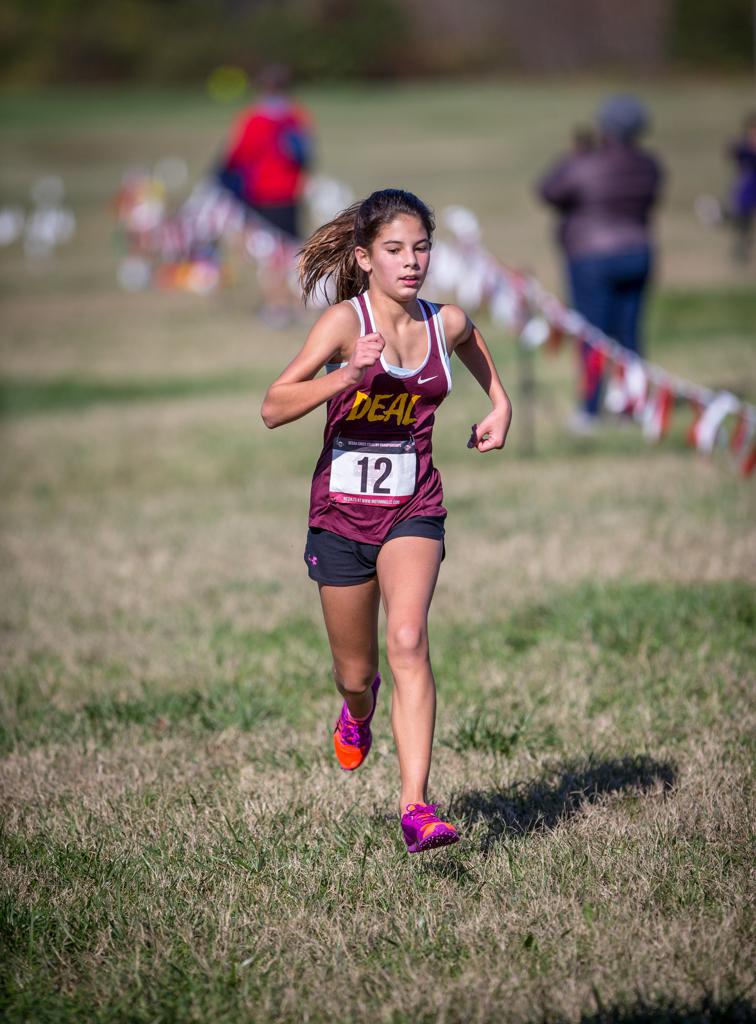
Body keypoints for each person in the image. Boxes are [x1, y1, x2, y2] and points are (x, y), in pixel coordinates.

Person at [261, 189, 512, 853]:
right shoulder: (345, 324)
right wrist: (346, 378)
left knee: (408, 639)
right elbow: (274, 406)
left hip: (412, 508)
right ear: (366, 258)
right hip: (340, 520)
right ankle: (355, 710)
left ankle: (415, 806)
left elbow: (471, 341)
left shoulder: (443, 323)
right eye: (395, 250)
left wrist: (501, 403)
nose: (411, 262)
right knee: (356, 672)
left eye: (421, 248)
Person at [537, 95, 664, 434]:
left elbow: (548, 190)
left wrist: (573, 157)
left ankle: (590, 411)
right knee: (629, 333)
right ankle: (633, 408)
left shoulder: (587, 162)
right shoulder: (649, 164)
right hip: (638, 251)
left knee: (591, 336)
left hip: (591, 255)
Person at [217, 64, 314, 324]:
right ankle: (296, 305)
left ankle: (278, 306)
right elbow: (306, 157)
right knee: (292, 252)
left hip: (261, 195)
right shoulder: (295, 117)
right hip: (288, 194)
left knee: (270, 254)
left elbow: (235, 157)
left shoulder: (254, 119)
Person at [726, 111, 756, 263]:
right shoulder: (743, 147)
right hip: (747, 189)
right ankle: (741, 254)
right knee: (743, 224)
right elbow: (732, 150)